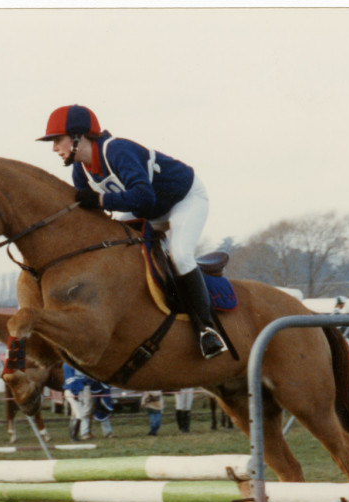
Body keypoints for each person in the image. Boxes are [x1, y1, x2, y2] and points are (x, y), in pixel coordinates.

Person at [37, 104, 228, 359]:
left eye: (57, 140)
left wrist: (102, 201)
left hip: (184, 200)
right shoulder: (79, 171)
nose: (54, 148)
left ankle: (206, 330)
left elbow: (143, 196)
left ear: (77, 137)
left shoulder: (115, 150)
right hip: (151, 210)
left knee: (179, 255)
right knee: (116, 246)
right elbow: (94, 214)